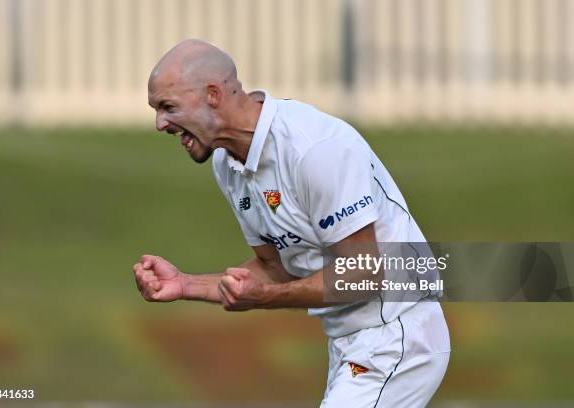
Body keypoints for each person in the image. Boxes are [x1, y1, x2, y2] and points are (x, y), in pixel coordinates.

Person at [134, 39, 450, 407]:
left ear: (213, 95)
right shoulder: (228, 164)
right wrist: (186, 284)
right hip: (351, 343)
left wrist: (264, 298)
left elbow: (365, 272)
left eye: (168, 107)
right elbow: (277, 268)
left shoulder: (313, 147)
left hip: (398, 334)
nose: (160, 124)